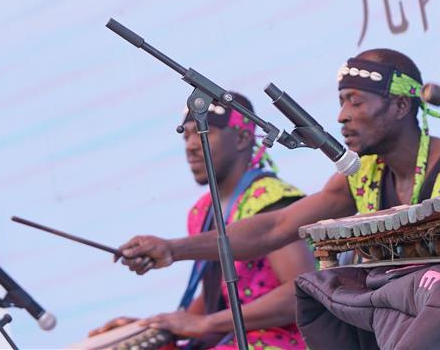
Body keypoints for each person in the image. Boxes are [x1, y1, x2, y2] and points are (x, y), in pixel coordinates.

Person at [116, 49, 440, 274]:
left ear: (399, 106)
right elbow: (276, 227)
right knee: (324, 293)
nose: (341, 116)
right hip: (404, 316)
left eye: (355, 102)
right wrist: (173, 249)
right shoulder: (363, 176)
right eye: (341, 102)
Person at [91, 93, 312, 349]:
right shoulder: (202, 211)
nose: (191, 146)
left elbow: (300, 294)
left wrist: (208, 324)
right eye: (186, 136)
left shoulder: (270, 197)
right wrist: (150, 326)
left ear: (242, 139)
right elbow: (215, 298)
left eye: (202, 132)